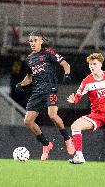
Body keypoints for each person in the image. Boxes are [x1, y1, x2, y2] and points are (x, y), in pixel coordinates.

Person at [15, 30, 75, 161]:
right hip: (37, 92)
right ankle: (46, 145)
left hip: (50, 89)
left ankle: (67, 139)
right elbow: (29, 77)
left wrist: (67, 74)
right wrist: (21, 84)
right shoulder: (29, 59)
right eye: (31, 41)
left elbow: (66, 64)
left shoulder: (48, 53)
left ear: (41, 41)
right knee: (28, 121)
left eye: (35, 40)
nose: (32, 43)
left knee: (52, 115)